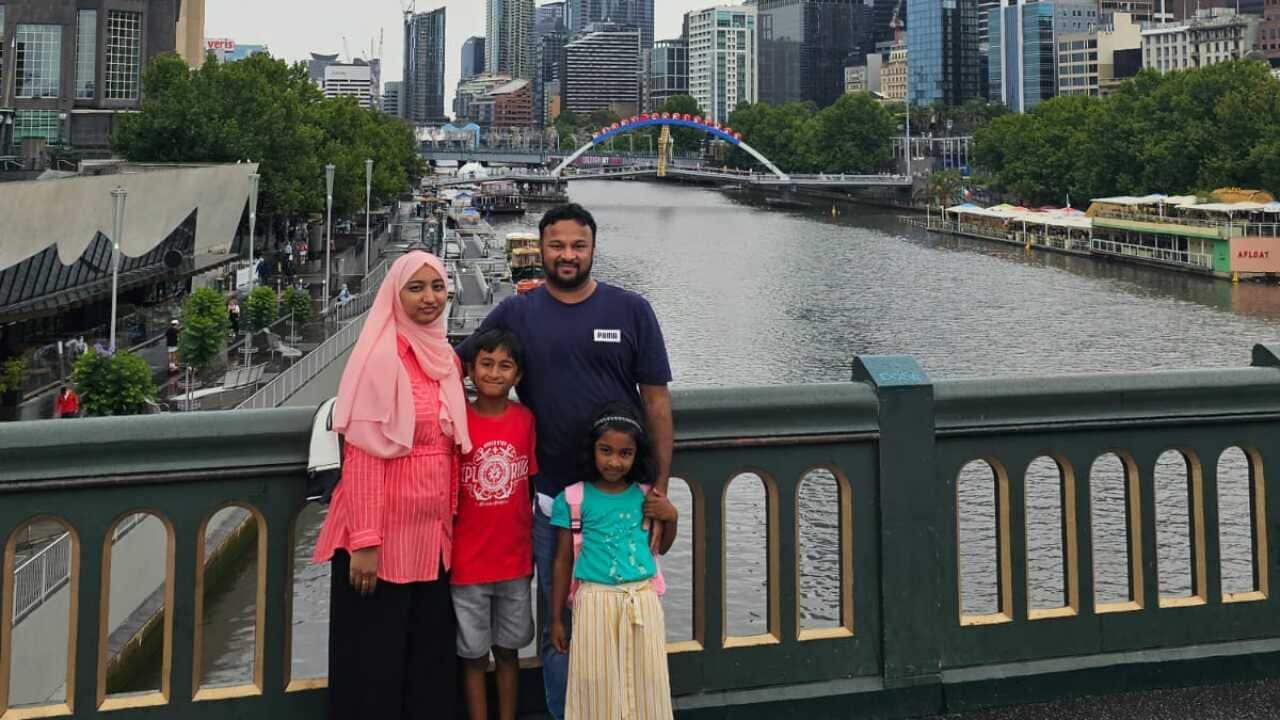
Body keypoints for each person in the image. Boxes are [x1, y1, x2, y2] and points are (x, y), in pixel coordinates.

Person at [456, 203, 674, 720]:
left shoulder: (631, 310)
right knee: (558, 624)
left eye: (578, 245)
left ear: (594, 248)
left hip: (622, 504)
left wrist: (661, 490)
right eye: (557, 246)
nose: (568, 255)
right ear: (541, 248)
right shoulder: (517, 313)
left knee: (628, 615)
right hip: (549, 503)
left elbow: (657, 403)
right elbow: (459, 361)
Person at [311, 251, 470, 720]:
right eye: (416, 288)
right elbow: (362, 454)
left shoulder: (444, 358)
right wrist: (364, 540)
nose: (429, 298)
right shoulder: (380, 359)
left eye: (437, 287)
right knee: (373, 666)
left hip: (431, 538)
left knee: (426, 662)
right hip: (381, 538)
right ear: (394, 296)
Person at [549, 403, 677, 720]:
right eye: (605, 451)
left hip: (641, 599)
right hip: (594, 601)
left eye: (625, 453)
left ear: (636, 456)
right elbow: (563, 561)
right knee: (595, 683)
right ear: (591, 450)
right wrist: (555, 619)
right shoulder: (573, 499)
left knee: (646, 681)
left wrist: (671, 516)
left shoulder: (646, 496)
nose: (614, 461)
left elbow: (662, 546)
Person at [452, 329, 537, 720]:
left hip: (514, 561)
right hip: (466, 563)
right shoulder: (456, 424)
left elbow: (529, 486)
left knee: (508, 651)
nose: (494, 373)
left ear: (518, 376)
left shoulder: (525, 421)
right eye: (486, 364)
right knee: (471, 655)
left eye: (505, 366)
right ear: (469, 371)